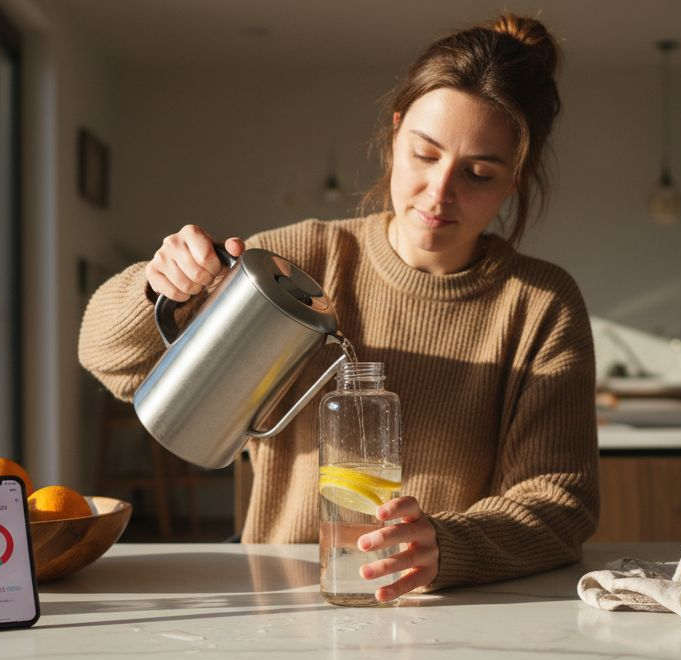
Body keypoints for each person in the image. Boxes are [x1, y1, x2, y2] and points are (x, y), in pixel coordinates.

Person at [79, 13, 599, 601]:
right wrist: (160, 287)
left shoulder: (540, 305)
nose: (439, 193)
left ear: (515, 179)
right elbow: (105, 357)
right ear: (395, 133)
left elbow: (560, 501)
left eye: (478, 173)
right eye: (424, 155)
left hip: (448, 608)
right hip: (279, 598)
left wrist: (448, 546)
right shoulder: (300, 264)